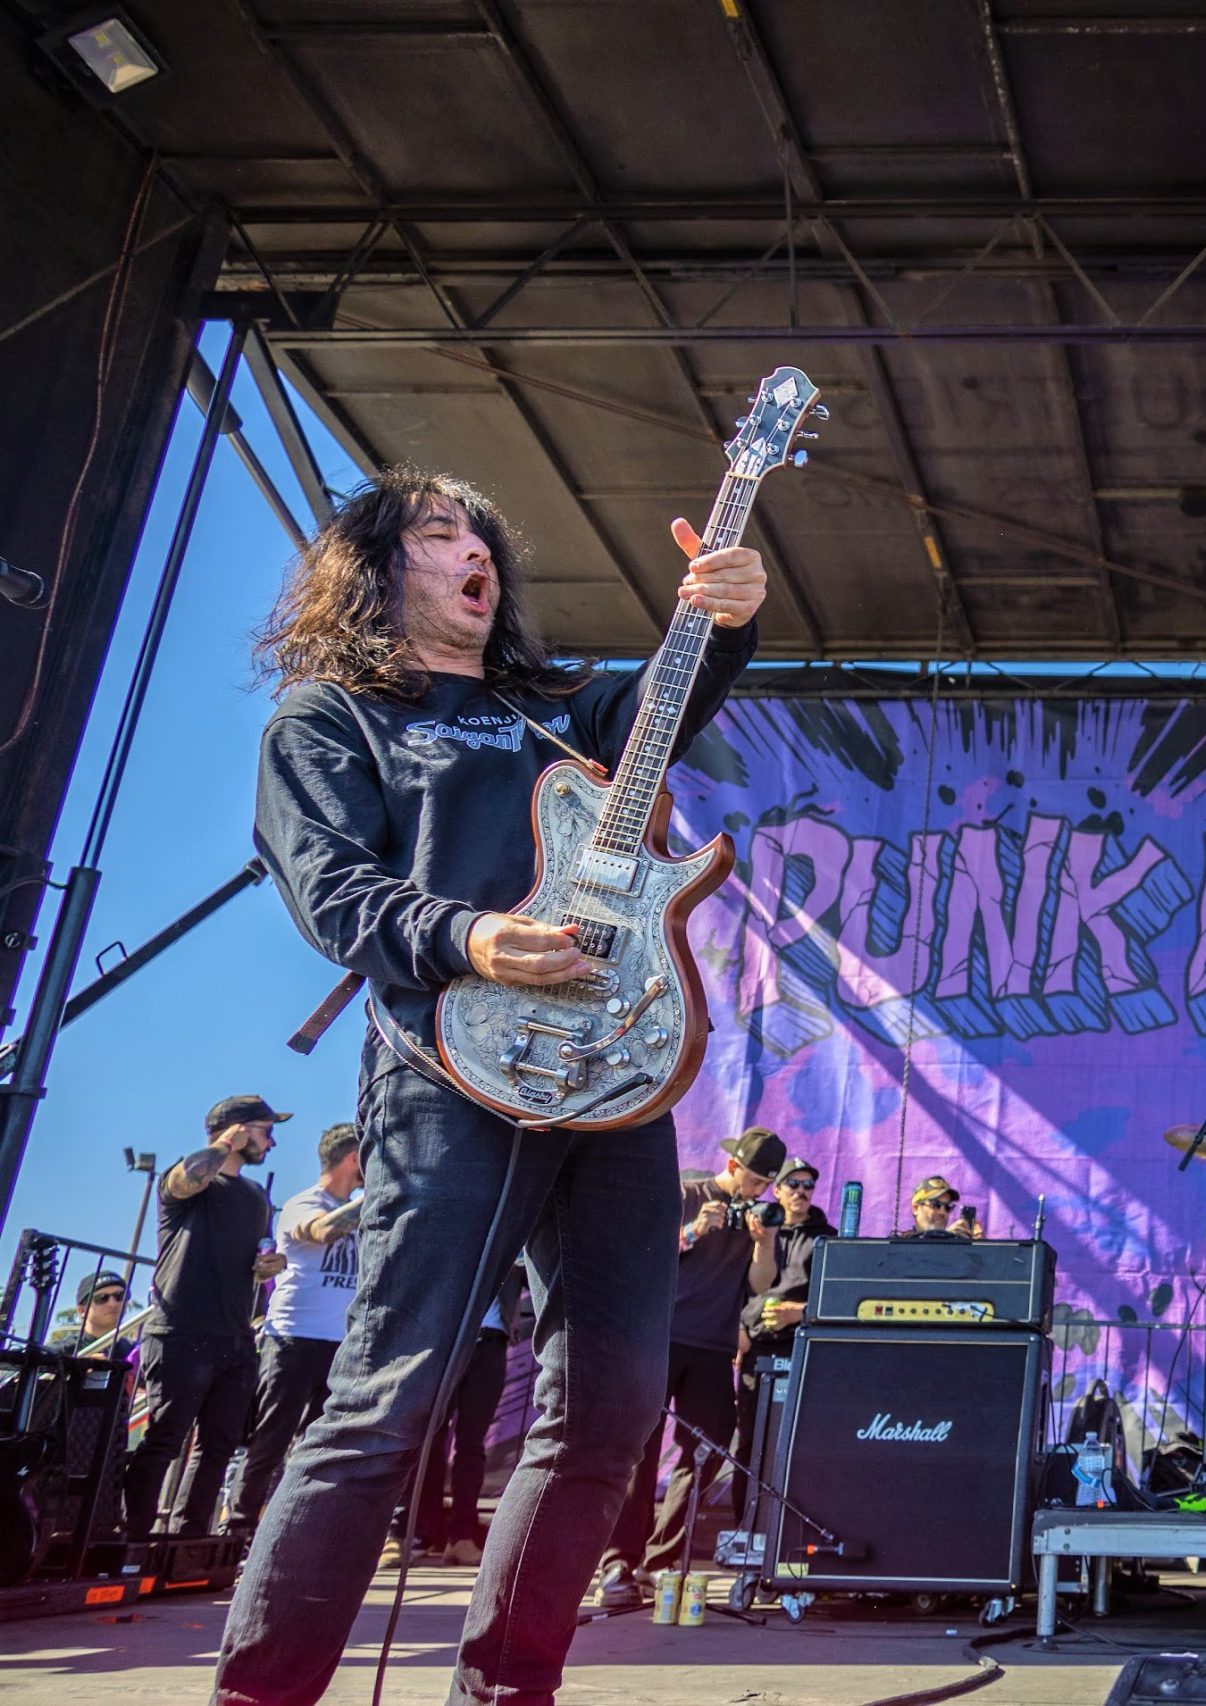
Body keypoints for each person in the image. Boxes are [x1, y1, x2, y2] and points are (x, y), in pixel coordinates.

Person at [213, 470, 764, 1706]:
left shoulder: (557, 702)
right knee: (384, 1398)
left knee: (612, 1409)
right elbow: (331, 891)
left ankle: (506, 1691)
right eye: (436, 531)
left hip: (619, 1077)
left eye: (480, 531)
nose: (474, 548)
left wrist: (725, 617)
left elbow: (667, 709)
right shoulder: (331, 714)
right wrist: (468, 936)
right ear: (372, 569)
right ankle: (261, 1694)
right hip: (450, 1073)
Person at [596, 1126, 786, 1608]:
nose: (758, 1191)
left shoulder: (755, 1217)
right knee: (637, 1448)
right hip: (656, 1337)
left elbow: (762, 1286)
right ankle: (618, 1561)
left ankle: (664, 1561)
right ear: (732, 1167)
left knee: (705, 1448)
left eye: (766, 1184)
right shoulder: (688, 1193)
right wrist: (694, 1230)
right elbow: (640, 1253)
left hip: (712, 1346)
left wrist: (763, 1242)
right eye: (753, 1181)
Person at [123, 1095, 292, 1540]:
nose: (271, 1142)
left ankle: (188, 1538)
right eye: (265, 1130)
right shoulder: (190, 1177)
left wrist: (269, 1265)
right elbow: (184, 1181)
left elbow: (259, 1251)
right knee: (165, 1438)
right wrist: (223, 1146)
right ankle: (132, 1536)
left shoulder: (256, 1196)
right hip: (180, 1330)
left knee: (219, 1445)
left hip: (234, 1337)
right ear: (235, 1130)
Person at [233, 1122, 365, 1533]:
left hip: (339, 1345)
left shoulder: (361, 1208)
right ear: (352, 1158)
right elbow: (322, 1231)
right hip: (293, 1338)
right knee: (271, 1439)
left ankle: (293, 1527)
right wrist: (379, 1190)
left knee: (319, 1443)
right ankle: (238, 1526)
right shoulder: (303, 1203)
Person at [405, 1264, 529, 1567]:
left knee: (472, 1445)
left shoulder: (513, 1223)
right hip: (443, 1336)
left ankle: (462, 1537)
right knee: (430, 1438)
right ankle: (418, 1532)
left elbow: (531, 1264)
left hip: (490, 1340)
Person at [736, 1158, 835, 1517]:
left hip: (802, 1348)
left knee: (799, 1441)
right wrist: (740, 1328)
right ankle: (744, 1530)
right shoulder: (754, 1227)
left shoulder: (828, 1238)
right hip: (756, 1347)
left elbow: (838, 1300)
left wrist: (800, 1312)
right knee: (750, 1440)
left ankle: (788, 1531)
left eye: (808, 1185)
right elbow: (730, 1282)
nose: (801, 1192)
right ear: (776, 1190)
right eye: (793, 1184)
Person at [48, 1272, 133, 1356]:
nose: (112, 1304)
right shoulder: (59, 1353)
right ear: (82, 1310)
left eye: (120, 1296)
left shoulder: (136, 1352)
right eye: (101, 1298)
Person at [904, 1175, 980, 1237]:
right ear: (916, 1208)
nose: (942, 1212)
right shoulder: (900, 1245)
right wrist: (946, 1235)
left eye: (948, 1207)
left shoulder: (955, 1245)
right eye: (936, 1205)